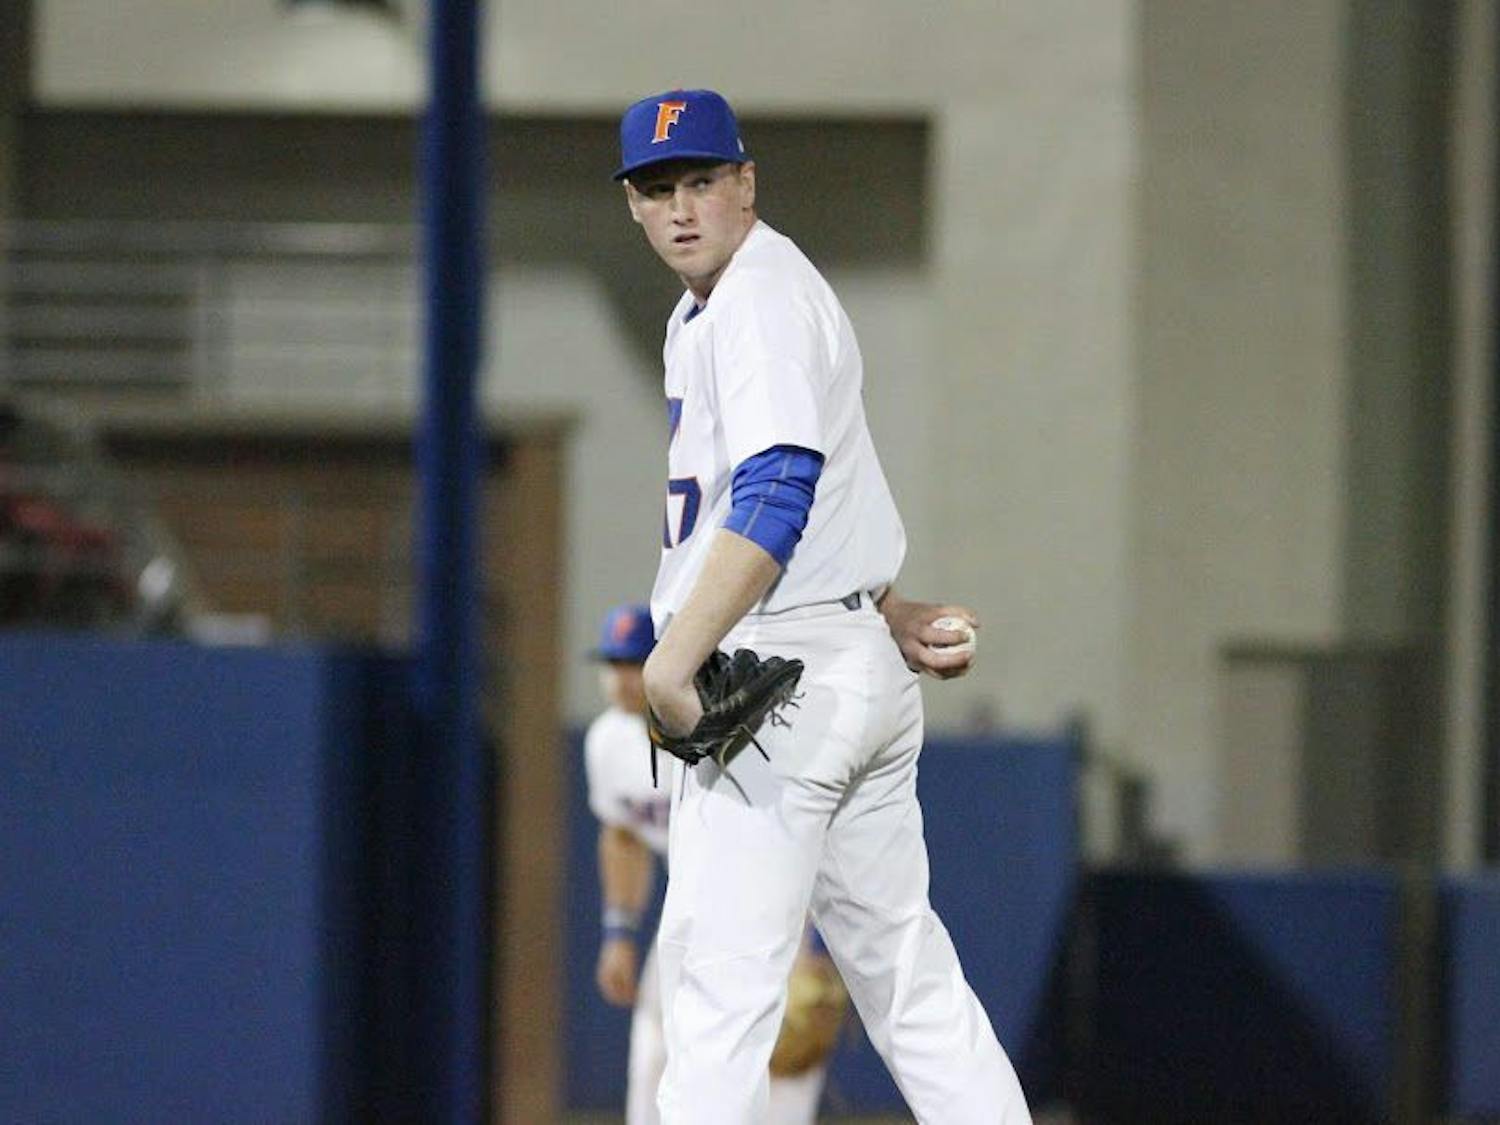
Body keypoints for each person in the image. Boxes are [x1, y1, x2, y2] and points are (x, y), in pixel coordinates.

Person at [613, 89, 1033, 1124]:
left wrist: (672, 664)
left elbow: (780, 487)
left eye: (701, 181)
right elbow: (836, 474)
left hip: (773, 693)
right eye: (657, 188)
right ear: (632, 204)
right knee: (907, 981)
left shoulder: (752, 297)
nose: (681, 208)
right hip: (847, 666)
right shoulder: (747, 293)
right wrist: (882, 606)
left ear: (745, 182)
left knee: (714, 1002)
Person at [582, 601, 843, 1124]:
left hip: (780, 908)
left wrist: (815, 941)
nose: (623, 679)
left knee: (781, 1062)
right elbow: (624, 838)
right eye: (614, 664)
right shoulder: (608, 741)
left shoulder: (723, 720)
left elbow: (809, 830)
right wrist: (618, 931)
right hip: (694, 904)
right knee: (656, 1048)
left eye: (635, 663)